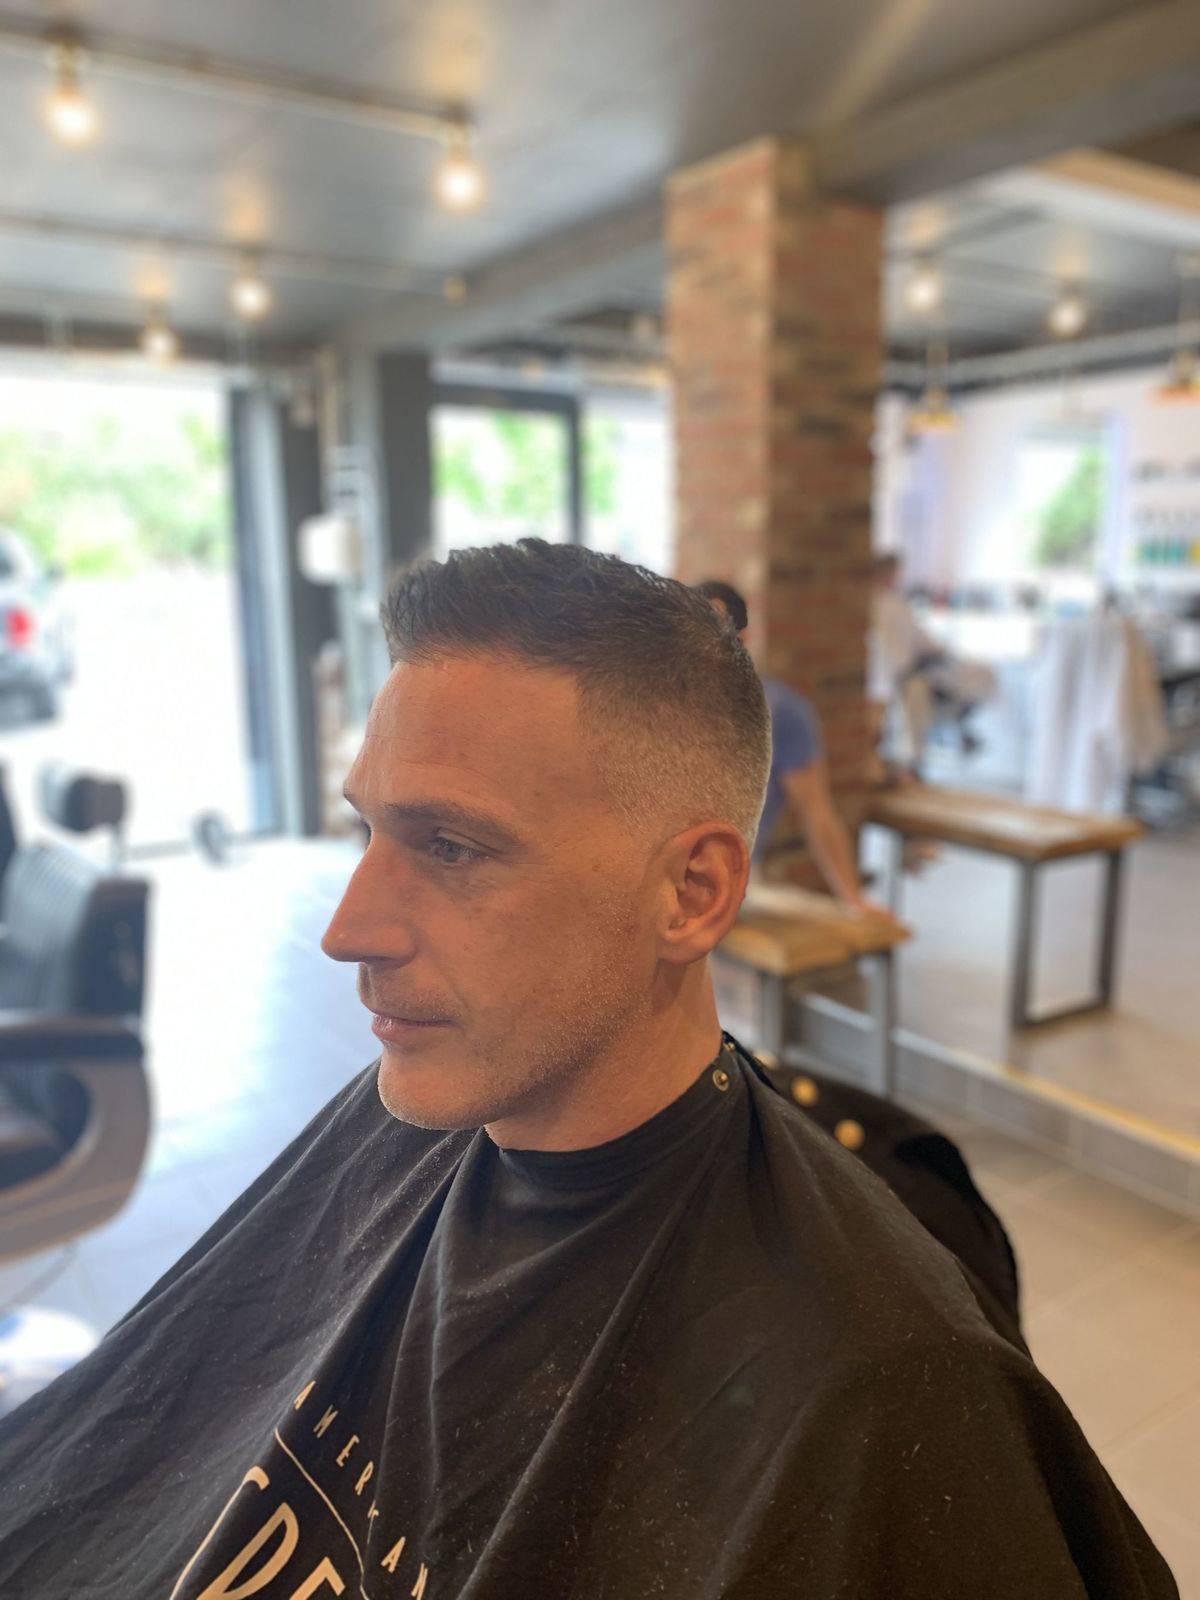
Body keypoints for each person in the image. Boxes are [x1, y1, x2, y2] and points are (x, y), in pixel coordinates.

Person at [0, 540, 1176, 1599]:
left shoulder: (888, 1391)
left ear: (692, 893)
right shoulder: (410, 1108)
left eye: (450, 845)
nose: (349, 928)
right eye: (369, 830)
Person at [695, 578, 892, 916]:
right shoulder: (661, 706)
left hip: (722, 888)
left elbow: (817, 812)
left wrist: (854, 901)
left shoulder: (781, 711)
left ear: (743, 636)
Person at [869, 552, 997, 771]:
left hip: (901, 674)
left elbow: (922, 641)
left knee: (973, 675)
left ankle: (920, 755)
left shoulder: (892, 603)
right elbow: (918, 644)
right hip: (902, 675)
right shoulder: (886, 605)